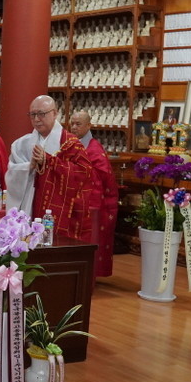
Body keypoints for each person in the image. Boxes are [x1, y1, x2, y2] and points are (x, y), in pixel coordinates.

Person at [6, 95, 95, 241]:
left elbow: (83, 173)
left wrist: (49, 161)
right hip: (31, 205)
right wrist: (29, 167)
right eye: (32, 114)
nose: (36, 119)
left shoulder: (70, 144)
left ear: (55, 113)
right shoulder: (21, 145)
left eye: (42, 114)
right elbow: (12, 172)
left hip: (58, 211)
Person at [68, 110, 119, 276]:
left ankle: (87, 273)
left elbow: (102, 176)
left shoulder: (94, 148)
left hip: (91, 202)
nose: (74, 127)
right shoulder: (69, 143)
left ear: (88, 125)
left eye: (78, 124)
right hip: (72, 199)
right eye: (72, 123)